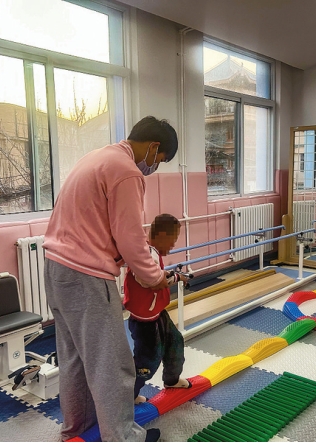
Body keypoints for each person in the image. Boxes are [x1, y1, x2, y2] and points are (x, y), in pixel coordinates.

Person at [42, 116, 178, 442]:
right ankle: (123, 437)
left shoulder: (96, 157)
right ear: (153, 146)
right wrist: (155, 277)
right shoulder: (127, 171)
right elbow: (131, 238)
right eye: (159, 160)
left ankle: (78, 430)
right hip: (86, 275)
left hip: (56, 268)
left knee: (75, 359)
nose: (154, 167)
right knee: (113, 364)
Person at [123, 214, 191, 405]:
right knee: (147, 361)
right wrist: (178, 278)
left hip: (158, 314)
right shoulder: (146, 255)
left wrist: (172, 274)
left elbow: (158, 274)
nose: (173, 245)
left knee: (175, 342)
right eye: (172, 240)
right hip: (143, 322)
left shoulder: (152, 252)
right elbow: (153, 282)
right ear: (161, 235)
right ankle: (128, 396)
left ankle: (172, 379)